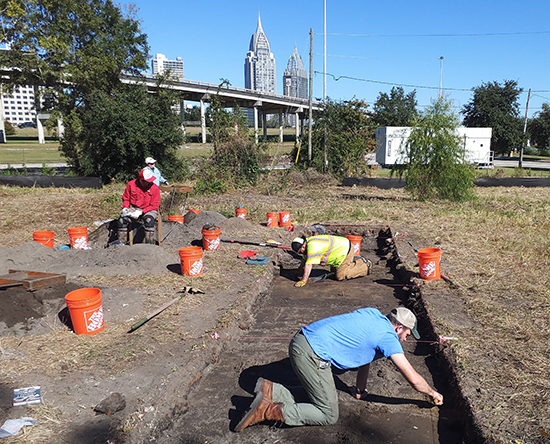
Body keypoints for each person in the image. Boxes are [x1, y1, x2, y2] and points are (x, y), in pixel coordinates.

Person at [235, 307, 444, 432]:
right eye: (407, 333)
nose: (407, 339)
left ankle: (271, 391)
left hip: (302, 340)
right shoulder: (388, 337)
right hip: (312, 353)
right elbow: (413, 379)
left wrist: (360, 390)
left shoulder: (374, 316)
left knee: (323, 394)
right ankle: (267, 411)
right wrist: (432, 392)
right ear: (399, 327)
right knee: (327, 413)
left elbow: (365, 357)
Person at [291, 235, 371, 287]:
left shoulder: (312, 247)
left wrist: (304, 280)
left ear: (303, 247)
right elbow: (304, 260)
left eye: (299, 252)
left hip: (345, 250)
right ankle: (360, 262)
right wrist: (298, 271)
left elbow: (308, 265)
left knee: (340, 276)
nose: (301, 254)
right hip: (339, 250)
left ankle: (365, 267)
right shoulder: (308, 242)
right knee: (334, 271)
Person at [117, 168, 160, 244]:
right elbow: (126, 198)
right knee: (122, 220)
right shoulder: (131, 185)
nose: (149, 183)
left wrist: (141, 211)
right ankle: (122, 245)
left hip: (149, 209)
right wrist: (125, 208)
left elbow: (155, 205)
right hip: (134, 208)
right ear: (141, 180)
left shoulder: (155, 188)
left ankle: (149, 245)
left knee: (149, 220)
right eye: (147, 181)